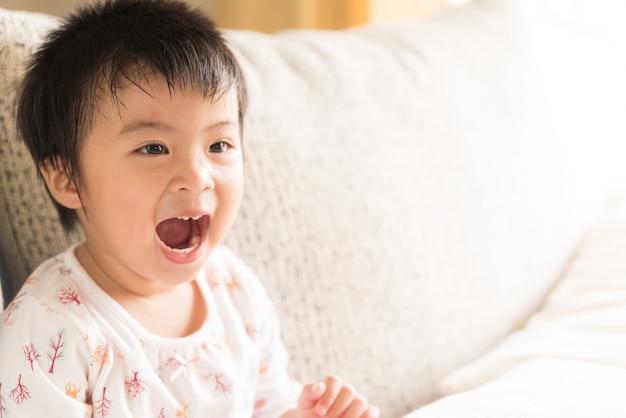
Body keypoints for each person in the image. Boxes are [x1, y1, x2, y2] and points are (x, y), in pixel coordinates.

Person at [0, 1, 380, 417]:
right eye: (153, 148)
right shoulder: (50, 329)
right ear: (67, 180)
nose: (198, 176)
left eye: (219, 145)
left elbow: (267, 399)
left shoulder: (231, 287)